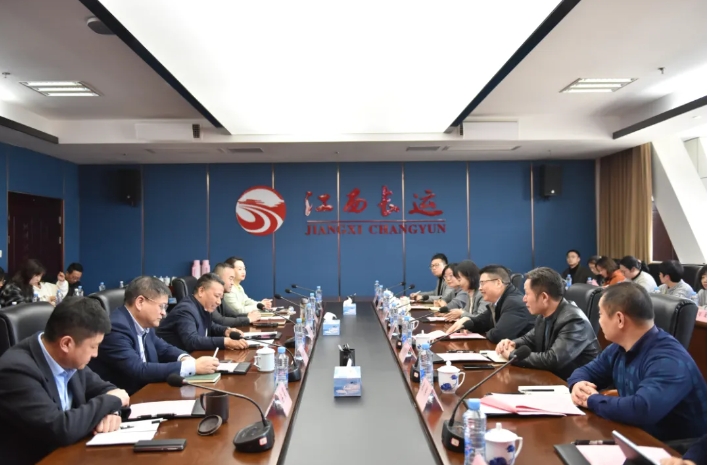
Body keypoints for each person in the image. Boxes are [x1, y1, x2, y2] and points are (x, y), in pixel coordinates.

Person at [568, 283, 706, 442]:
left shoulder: (669, 359)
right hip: (638, 436)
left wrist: (591, 400)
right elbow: (586, 372)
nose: (599, 321)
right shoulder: (619, 347)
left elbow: (642, 409)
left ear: (620, 319)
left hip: (679, 449)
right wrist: (577, 384)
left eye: (601, 314)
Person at [0, 297, 130, 465]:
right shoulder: (16, 371)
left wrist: (112, 413)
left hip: (72, 454)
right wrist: (111, 401)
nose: (96, 354)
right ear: (66, 343)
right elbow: (60, 429)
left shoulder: (69, 360)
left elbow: (107, 390)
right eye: (93, 346)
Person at [90, 277, 221, 395]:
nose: (164, 313)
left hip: (147, 391)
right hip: (128, 400)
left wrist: (186, 358)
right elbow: (138, 370)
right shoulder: (116, 328)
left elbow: (163, 348)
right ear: (140, 302)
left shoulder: (143, 323)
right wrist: (193, 367)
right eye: (161, 306)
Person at [495, 267, 600, 380]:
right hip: (554, 378)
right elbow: (529, 339)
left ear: (544, 297)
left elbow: (553, 359)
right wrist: (512, 344)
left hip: (579, 384)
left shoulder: (574, 320)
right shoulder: (544, 315)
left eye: (527, 294)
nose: (524, 299)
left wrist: (512, 355)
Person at [157, 273, 249, 352]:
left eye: (220, 298)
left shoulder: (202, 306)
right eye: (216, 296)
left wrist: (226, 331)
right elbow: (192, 341)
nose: (219, 302)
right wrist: (225, 342)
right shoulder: (185, 310)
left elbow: (209, 325)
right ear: (201, 291)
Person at [445, 265, 534, 343]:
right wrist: (467, 321)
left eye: (482, 283)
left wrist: (487, 331)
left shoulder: (514, 303)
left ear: (498, 283)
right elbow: (481, 322)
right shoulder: (498, 300)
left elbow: (499, 335)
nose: (480, 288)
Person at [212, 262, 261, 327]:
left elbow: (231, 314)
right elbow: (220, 321)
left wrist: (248, 315)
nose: (232, 283)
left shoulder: (221, 296)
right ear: (218, 278)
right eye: (230, 279)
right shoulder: (210, 296)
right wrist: (248, 319)